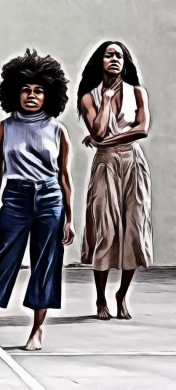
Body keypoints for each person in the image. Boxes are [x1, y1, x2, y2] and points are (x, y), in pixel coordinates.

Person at [0, 49, 75, 351]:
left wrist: (70, 218)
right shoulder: (3, 128)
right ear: (15, 91)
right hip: (15, 198)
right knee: (3, 261)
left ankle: (37, 331)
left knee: (46, 264)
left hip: (50, 198)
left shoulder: (57, 130)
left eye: (38, 90)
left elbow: (64, 176)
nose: (32, 95)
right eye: (26, 89)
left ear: (48, 94)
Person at [78, 41, 152, 320]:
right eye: (109, 55)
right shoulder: (89, 97)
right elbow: (96, 129)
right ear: (100, 61)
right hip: (105, 165)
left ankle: (121, 295)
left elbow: (142, 129)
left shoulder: (138, 93)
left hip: (133, 162)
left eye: (119, 55)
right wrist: (106, 100)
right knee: (105, 231)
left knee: (133, 230)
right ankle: (100, 299)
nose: (114, 59)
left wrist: (104, 140)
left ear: (125, 62)